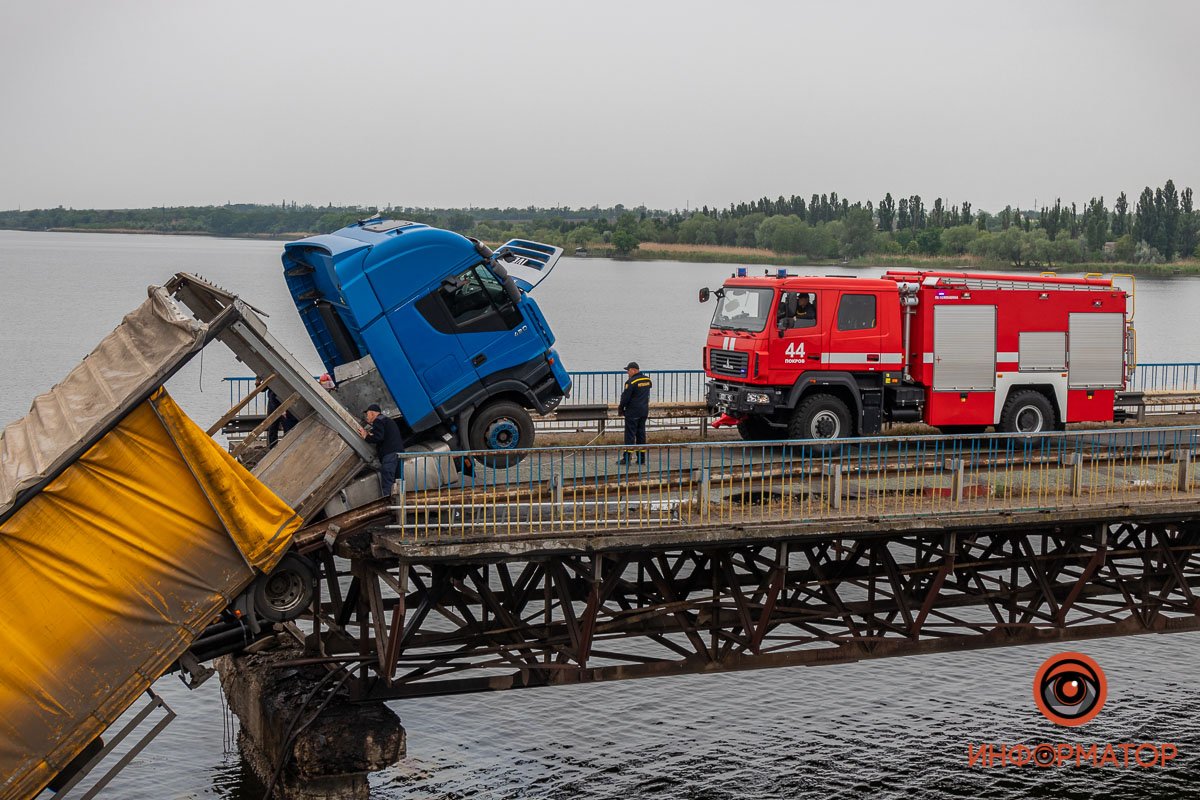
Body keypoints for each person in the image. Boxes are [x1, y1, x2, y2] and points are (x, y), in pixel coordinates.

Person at [360, 403, 405, 494]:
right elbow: (383, 435)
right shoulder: (387, 420)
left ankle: (389, 503)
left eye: (367, 414)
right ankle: (401, 502)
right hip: (399, 454)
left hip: (390, 455)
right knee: (399, 480)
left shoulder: (378, 420)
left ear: (372, 413)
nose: (366, 417)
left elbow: (378, 437)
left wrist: (366, 437)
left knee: (388, 481)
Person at [617, 362, 652, 465]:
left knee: (630, 435)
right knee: (641, 434)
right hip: (644, 411)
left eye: (628, 370)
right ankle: (641, 459)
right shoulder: (647, 380)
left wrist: (621, 408)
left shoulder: (631, 382)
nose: (628, 373)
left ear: (633, 370)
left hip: (632, 412)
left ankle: (627, 459)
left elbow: (625, 398)